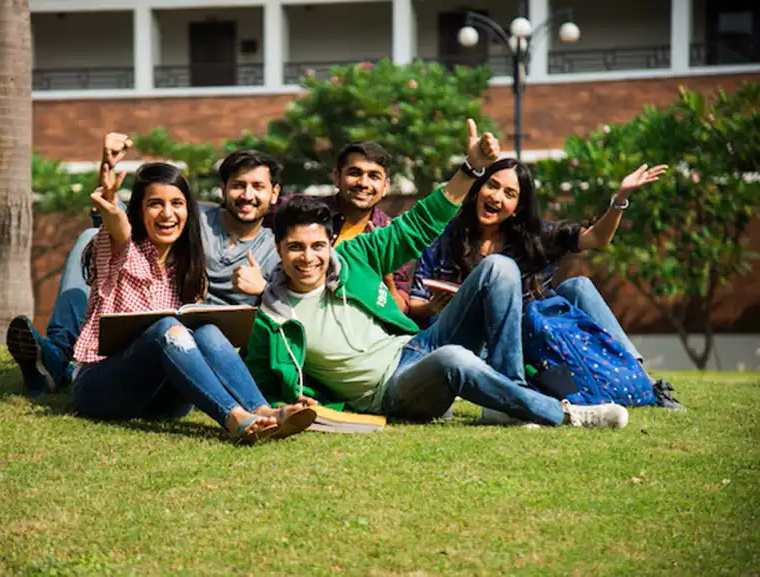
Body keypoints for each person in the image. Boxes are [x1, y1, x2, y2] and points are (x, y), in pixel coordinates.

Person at [244, 120, 630, 429]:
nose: (309, 258)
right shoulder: (273, 319)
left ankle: (510, 395)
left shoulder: (353, 256)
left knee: (499, 267)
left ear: (330, 243)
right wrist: (286, 408)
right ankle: (563, 414)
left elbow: (418, 222)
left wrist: (471, 169)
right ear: (278, 250)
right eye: (295, 248)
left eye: (317, 246)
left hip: (414, 347)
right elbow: (260, 384)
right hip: (392, 390)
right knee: (453, 359)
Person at [6, 134, 283, 397]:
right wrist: (108, 171)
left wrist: (263, 289)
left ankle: (56, 365)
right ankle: (56, 351)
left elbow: (295, 305)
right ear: (224, 189)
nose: (247, 195)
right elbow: (129, 225)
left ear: (274, 193)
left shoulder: (276, 247)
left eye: (258, 187)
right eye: (238, 185)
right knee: (92, 239)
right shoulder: (189, 216)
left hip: (210, 342)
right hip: (154, 314)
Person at [407, 157, 684, 411]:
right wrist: (432, 306)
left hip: (526, 337)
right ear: (479, 188)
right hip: (473, 343)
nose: (496, 197)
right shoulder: (445, 237)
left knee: (578, 286)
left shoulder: (533, 238)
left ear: (517, 208)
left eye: (509, 194)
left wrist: (620, 198)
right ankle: (514, 387)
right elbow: (414, 304)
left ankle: (641, 379)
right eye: (492, 186)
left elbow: (596, 238)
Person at [69, 158, 314, 443]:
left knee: (208, 330)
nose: (167, 214)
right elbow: (118, 228)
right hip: (101, 388)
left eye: (177, 203)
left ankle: (261, 410)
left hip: (163, 400)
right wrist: (110, 201)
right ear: (139, 209)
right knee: (165, 328)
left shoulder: (188, 266)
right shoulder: (123, 251)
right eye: (155, 204)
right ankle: (234, 418)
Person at [270, 141, 413, 313]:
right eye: (355, 173)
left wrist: (385, 275)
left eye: (374, 176)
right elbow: (254, 208)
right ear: (337, 177)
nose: (363, 183)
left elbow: (400, 310)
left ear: (385, 186)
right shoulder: (303, 210)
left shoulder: (389, 235)